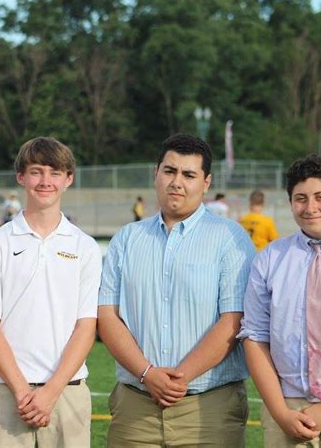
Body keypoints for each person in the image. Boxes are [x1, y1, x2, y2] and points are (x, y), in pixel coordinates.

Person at [98, 134, 255, 447]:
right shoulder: (127, 239)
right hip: (136, 407)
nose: (177, 182)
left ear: (206, 183)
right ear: (155, 173)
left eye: (189, 175)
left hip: (209, 409)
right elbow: (107, 315)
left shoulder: (230, 238)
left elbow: (233, 320)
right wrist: (147, 373)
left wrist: (178, 377)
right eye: (169, 171)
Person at [0, 137, 102, 447]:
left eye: (55, 172)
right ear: (21, 177)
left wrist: (51, 391)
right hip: (5, 393)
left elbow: (86, 326)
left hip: (67, 392)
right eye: (36, 171)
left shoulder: (85, 247)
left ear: (68, 179)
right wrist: (22, 391)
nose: (45, 181)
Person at [239, 154, 321, 447]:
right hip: (287, 409)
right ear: (290, 202)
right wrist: (280, 412)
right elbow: (254, 336)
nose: (310, 207)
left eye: (320, 197)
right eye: (300, 198)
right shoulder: (269, 259)